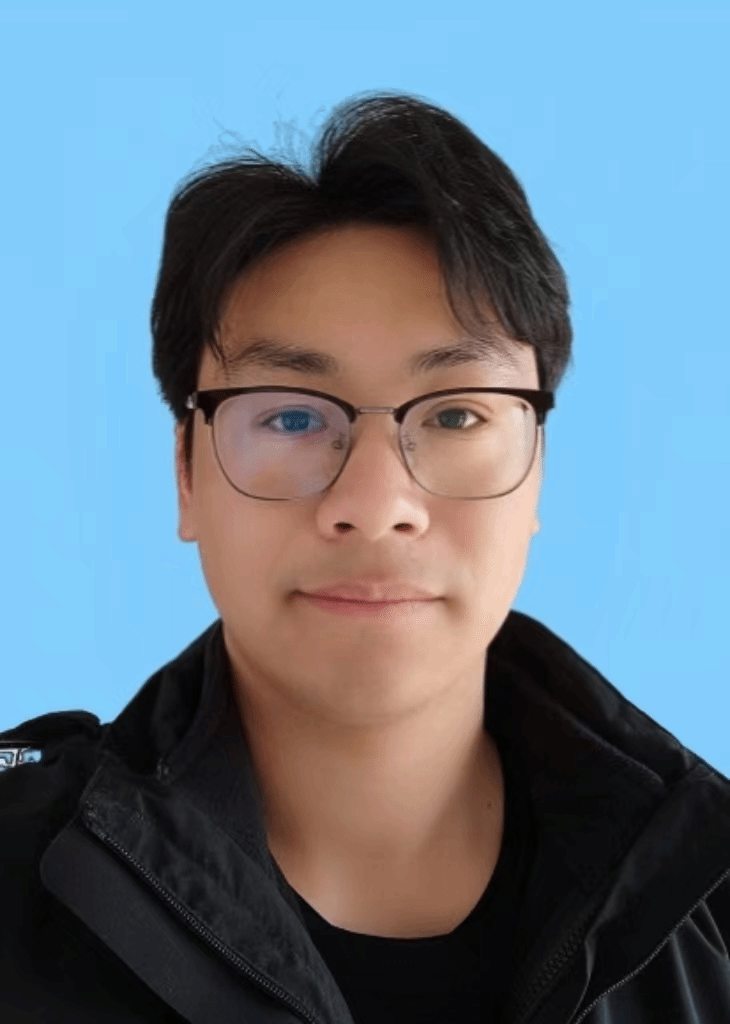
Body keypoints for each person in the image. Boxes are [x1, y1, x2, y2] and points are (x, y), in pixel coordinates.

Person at [1, 90, 729, 1024]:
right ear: (186, 473)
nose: (376, 506)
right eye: (291, 417)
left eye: (456, 415)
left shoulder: (711, 902)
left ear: (538, 469)